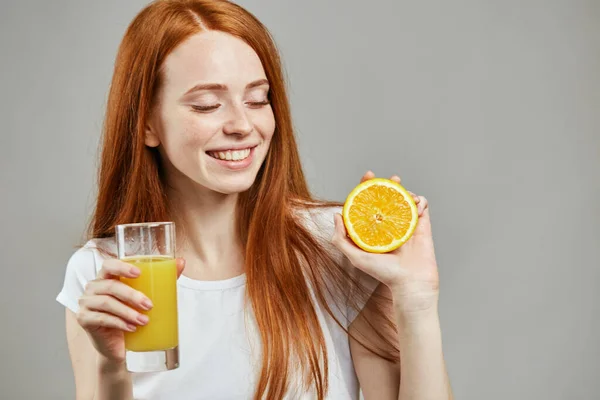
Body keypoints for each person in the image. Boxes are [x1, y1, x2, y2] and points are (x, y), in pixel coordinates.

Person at [56, 0, 453, 399]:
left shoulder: (335, 249)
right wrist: (111, 367)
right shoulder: (103, 273)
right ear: (146, 124)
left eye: (257, 99)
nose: (243, 125)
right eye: (207, 105)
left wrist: (417, 302)